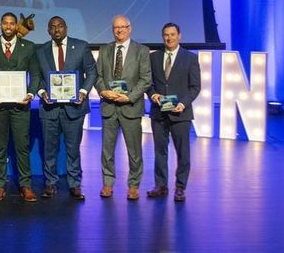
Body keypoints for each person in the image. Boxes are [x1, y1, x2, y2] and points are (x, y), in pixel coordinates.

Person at [0, 12, 42, 202]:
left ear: (16, 26)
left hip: (21, 105)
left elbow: (36, 74)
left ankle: (26, 185)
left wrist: (30, 94)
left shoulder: (28, 47)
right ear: (0, 25)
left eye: (11, 23)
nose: (8, 26)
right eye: (5, 23)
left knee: (22, 146)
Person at [36, 16, 97, 201]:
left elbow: (92, 72)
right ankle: (50, 183)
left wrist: (84, 92)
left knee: (73, 148)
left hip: (74, 107)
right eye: (52, 27)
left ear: (66, 28)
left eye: (60, 26)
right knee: (49, 148)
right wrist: (41, 92)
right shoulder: (41, 50)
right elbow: (37, 76)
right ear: (48, 30)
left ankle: (75, 184)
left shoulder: (81, 46)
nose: (57, 30)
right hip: (50, 107)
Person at [95, 14, 151, 200]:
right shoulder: (104, 50)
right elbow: (98, 75)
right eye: (115, 27)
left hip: (130, 107)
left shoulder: (141, 50)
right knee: (107, 150)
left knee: (134, 151)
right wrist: (103, 92)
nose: (118, 30)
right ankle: (108, 183)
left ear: (129, 28)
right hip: (109, 106)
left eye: (122, 27)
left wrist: (129, 97)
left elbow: (145, 79)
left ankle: (134, 185)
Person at [146, 23, 201, 202]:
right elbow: (149, 83)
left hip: (180, 114)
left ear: (179, 36)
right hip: (159, 113)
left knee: (182, 152)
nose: (169, 38)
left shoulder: (190, 58)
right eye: (165, 35)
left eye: (172, 34)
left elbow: (195, 87)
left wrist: (183, 104)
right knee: (160, 151)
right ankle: (161, 185)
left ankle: (180, 187)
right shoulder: (153, 58)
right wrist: (153, 94)